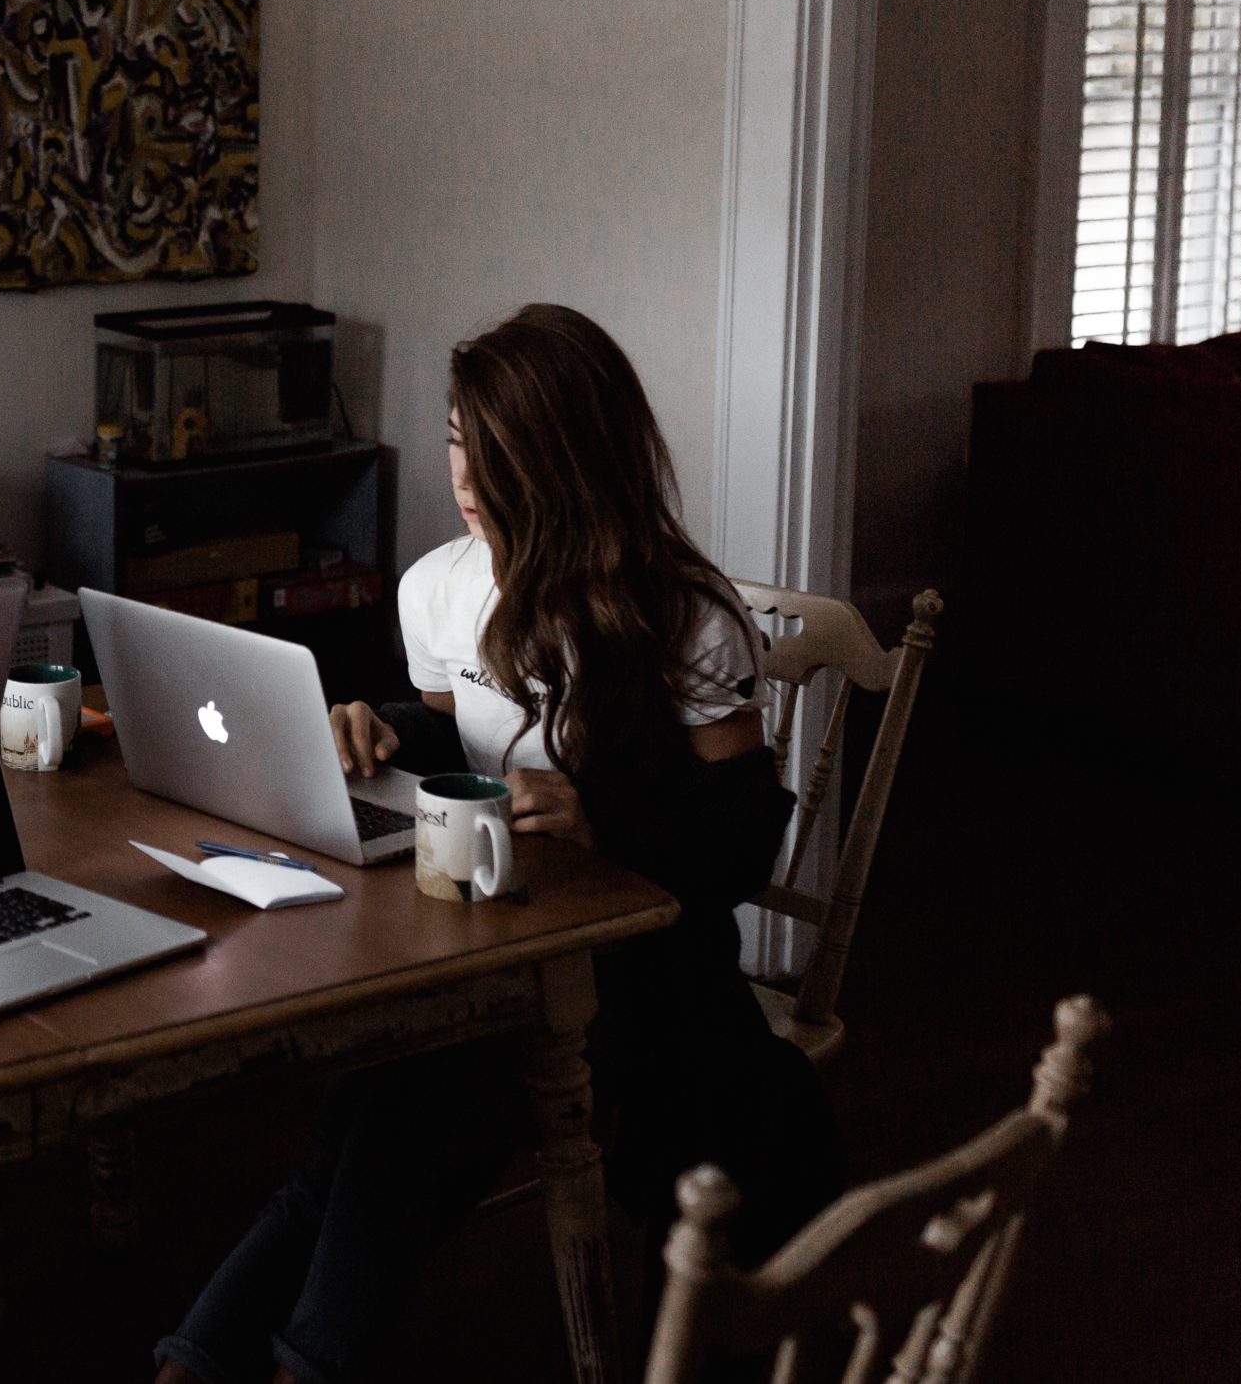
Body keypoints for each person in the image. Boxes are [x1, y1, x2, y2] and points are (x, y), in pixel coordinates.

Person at [153, 305, 842, 1384]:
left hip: (635, 968)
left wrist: (603, 819)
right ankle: (213, 1359)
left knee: (406, 1102)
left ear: (569, 457)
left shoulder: (683, 615)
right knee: (367, 1115)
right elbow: (458, 730)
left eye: (497, 449)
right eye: (455, 438)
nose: (465, 476)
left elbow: (745, 831)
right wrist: (379, 726)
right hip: (490, 935)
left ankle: (277, 1360)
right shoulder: (439, 587)